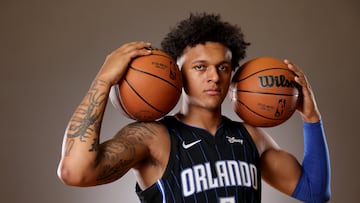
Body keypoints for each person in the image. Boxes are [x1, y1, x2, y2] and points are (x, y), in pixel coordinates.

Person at [57, 13, 331, 202]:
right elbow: (75, 171)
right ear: (178, 72)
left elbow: (314, 192)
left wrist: (311, 117)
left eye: (222, 67)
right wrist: (104, 80)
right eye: (200, 67)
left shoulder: (251, 137)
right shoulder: (153, 138)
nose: (214, 76)